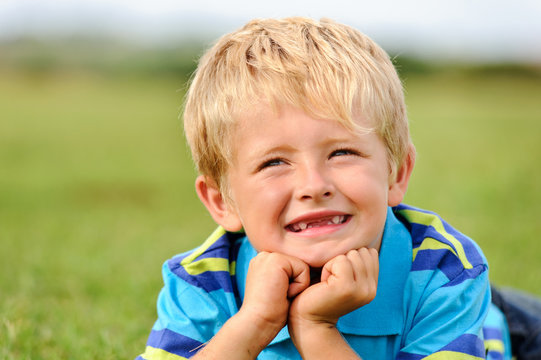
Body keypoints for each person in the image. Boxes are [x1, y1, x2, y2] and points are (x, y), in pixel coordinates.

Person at [136, 17, 515, 359]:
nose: (313, 186)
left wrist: (316, 330)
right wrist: (254, 321)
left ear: (396, 173)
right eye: (274, 162)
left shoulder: (444, 272)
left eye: (342, 152)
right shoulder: (202, 281)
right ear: (222, 201)